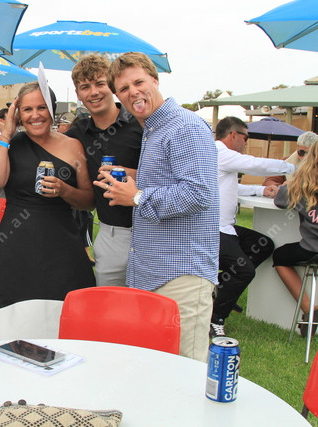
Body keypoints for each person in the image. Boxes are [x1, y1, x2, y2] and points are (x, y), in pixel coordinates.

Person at [97, 52, 219, 362]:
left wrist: (137, 197)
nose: (133, 92)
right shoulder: (154, 129)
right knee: (157, 369)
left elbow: (199, 193)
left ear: (155, 79)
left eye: (139, 82)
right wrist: (133, 179)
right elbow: (172, 181)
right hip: (153, 275)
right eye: (124, 89)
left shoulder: (185, 126)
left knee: (185, 370)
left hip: (182, 277)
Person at [0, 81, 95, 313]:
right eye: (27, 109)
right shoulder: (10, 145)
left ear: (52, 109)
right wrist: (6, 133)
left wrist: (65, 190)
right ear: (18, 114)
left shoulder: (73, 146)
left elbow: (89, 201)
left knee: (63, 313)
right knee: (13, 314)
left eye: (42, 107)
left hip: (61, 245)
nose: (35, 115)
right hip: (15, 243)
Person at [210, 116, 294, 338]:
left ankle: (222, 285)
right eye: (245, 138)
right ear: (233, 135)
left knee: (263, 244)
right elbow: (256, 164)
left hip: (226, 227)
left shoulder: (222, 158)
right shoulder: (219, 152)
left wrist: (260, 190)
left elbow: (230, 187)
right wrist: (294, 166)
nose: (246, 143)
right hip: (213, 230)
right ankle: (216, 318)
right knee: (244, 270)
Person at [64, 53, 143, 286]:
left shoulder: (140, 124)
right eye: (85, 87)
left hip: (151, 230)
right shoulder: (78, 132)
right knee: (109, 303)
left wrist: (134, 176)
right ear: (78, 94)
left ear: (112, 86)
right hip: (111, 234)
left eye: (99, 84)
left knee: (152, 304)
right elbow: (47, 144)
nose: (93, 92)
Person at [272, 141, 318, 337]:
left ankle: (309, 308)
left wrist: (286, 185)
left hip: (310, 249)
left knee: (279, 256)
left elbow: (280, 200)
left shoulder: (303, 182)